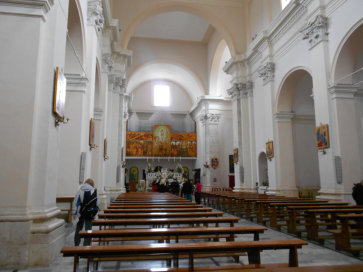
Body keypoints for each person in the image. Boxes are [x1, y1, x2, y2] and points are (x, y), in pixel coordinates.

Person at [73, 178, 99, 246]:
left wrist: (75, 213)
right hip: (90, 212)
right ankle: (86, 244)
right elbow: (98, 203)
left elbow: (76, 202)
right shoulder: (94, 190)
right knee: (88, 229)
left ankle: (76, 244)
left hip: (81, 212)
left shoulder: (80, 190)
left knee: (79, 228)